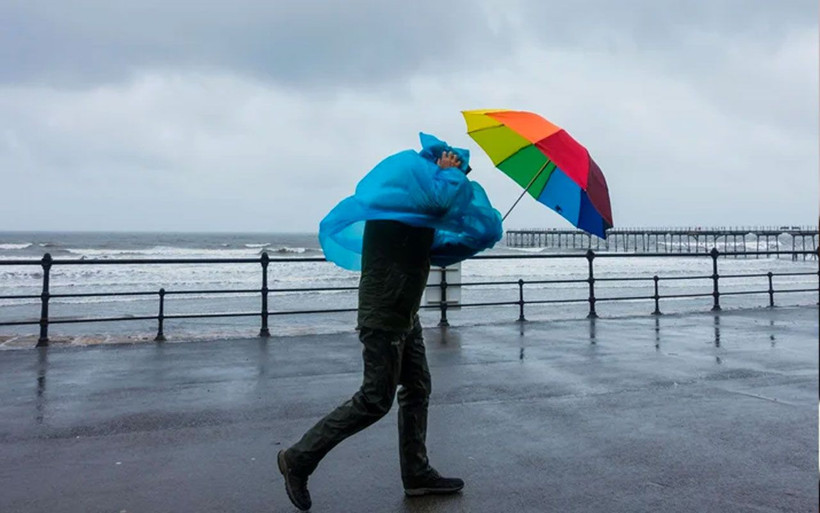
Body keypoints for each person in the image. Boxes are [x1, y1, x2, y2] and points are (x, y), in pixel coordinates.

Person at [277, 150, 471, 511]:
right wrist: (447, 175)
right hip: (384, 314)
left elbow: (433, 241)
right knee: (374, 398)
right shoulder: (404, 200)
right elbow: (440, 205)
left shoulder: (415, 209)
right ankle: (298, 459)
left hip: (405, 313)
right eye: (448, 168)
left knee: (417, 386)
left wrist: (471, 236)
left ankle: (416, 474)